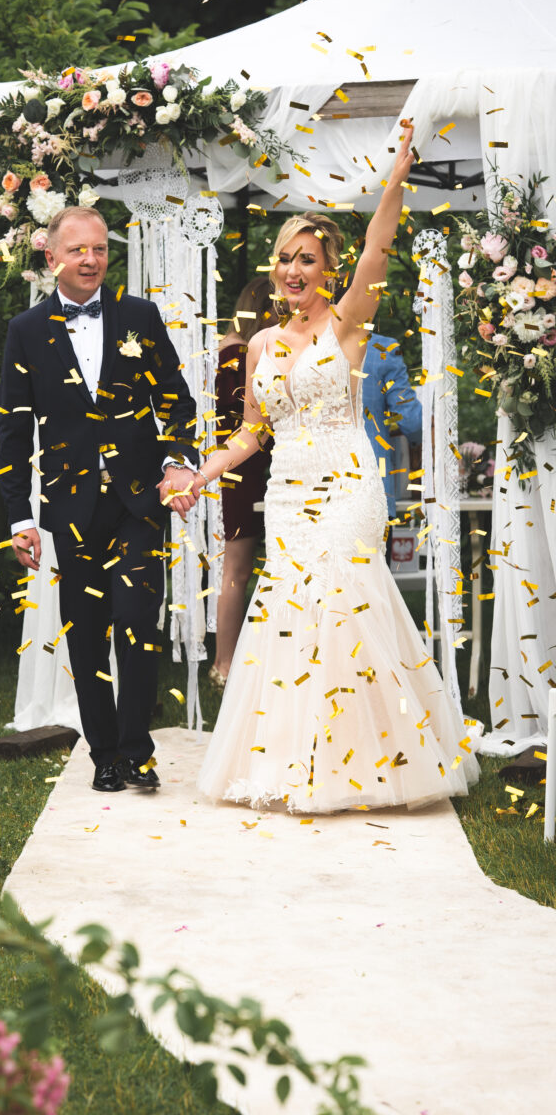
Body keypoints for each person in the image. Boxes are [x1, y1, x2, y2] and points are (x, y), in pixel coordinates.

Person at [180, 124, 479, 813]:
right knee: (292, 617)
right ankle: (299, 759)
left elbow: (378, 245)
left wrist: (395, 179)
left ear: (329, 270)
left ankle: (373, 764)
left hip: (346, 486)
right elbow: (250, 434)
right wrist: (200, 474)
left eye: (308, 260)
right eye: (286, 258)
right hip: (287, 493)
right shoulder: (259, 345)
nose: (294, 271)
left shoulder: (348, 324)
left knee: (345, 603)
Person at [0, 206, 199, 794]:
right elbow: (14, 430)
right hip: (72, 507)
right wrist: (19, 516)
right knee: (86, 635)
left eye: (101, 249)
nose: (91, 260)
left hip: (139, 500)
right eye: (78, 250)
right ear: (51, 256)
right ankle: (104, 753)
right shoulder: (26, 330)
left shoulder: (139, 317)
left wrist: (175, 462)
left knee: (136, 621)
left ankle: (137, 751)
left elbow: (176, 401)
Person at [209, 277, 277, 689]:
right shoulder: (238, 354)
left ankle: (228, 661)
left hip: (236, 469)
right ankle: (224, 662)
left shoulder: (224, 349)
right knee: (237, 567)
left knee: (238, 567)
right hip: (243, 471)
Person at [362, 335, 423, 561]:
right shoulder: (382, 349)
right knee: (373, 578)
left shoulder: (300, 343)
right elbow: (411, 421)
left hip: (310, 489)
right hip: (370, 483)